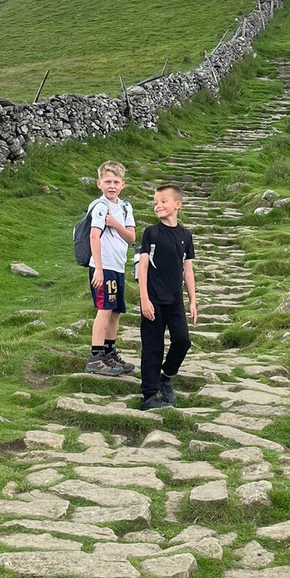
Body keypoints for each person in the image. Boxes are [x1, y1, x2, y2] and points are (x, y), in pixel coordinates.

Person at [137, 183, 197, 410]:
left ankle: (166, 376)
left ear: (177, 205)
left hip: (175, 300)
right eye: (155, 203)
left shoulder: (185, 235)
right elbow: (142, 267)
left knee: (183, 341)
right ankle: (149, 396)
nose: (158, 206)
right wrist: (144, 298)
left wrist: (193, 301)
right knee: (152, 347)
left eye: (163, 202)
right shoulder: (151, 233)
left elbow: (188, 270)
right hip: (153, 298)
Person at [85, 161, 136, 376]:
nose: (112, 185)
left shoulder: (125, 207)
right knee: (104, 309)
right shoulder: (99, 206)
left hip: (117, 266)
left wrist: (115, 223)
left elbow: (131, 237)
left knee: (115, 311)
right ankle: (96, 358)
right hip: (103, 267)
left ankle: (109, 352)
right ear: (99, 184)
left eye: (116, 181)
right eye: (107, 181)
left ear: (123, 184)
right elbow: (94, 235)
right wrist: (97, 268)